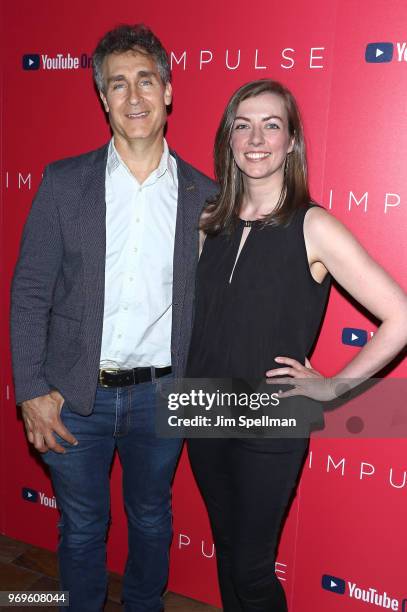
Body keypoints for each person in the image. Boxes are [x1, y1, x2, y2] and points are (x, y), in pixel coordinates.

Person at [10, 24, 216, 612]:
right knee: (80, 529)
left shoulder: (206, 198)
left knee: (152, 521)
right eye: (117, 84)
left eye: (145, 81)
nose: (133, 98)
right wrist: (32, 389)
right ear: (102, 98)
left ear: (168, 90)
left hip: (162, 396)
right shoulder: (63, 183)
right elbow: (29, 292)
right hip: (74, 395)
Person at [186, 79, 407, 612]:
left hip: (273, 417)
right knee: (229, 551)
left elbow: (400, 317)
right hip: (202, 407)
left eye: (271, 125)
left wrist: (333, 386)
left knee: (253, 569)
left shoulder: (314, 225)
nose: (256, 137)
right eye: (243, 125)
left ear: (291, 141)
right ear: (229, 139)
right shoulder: (207, 221)